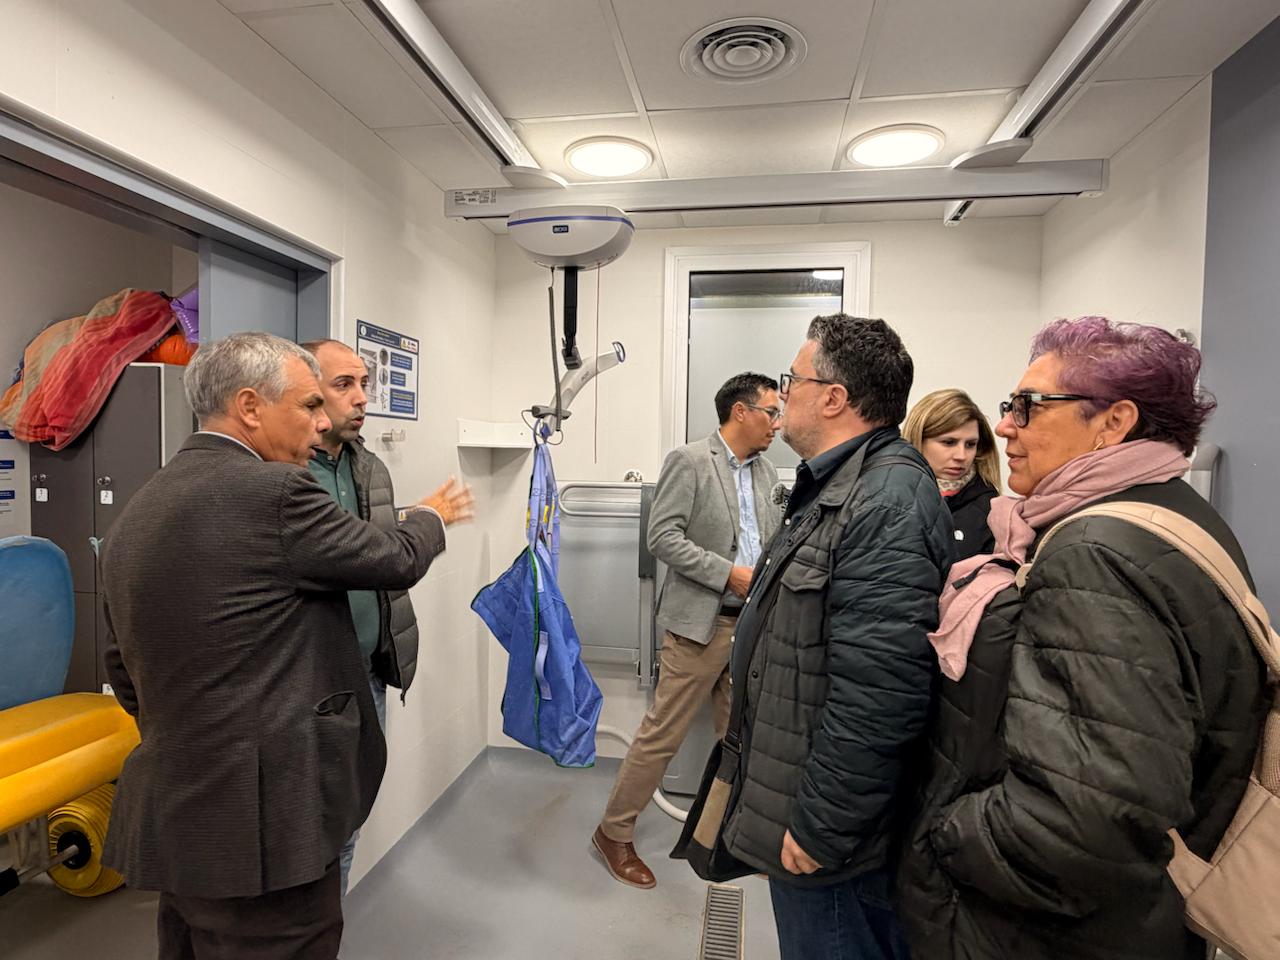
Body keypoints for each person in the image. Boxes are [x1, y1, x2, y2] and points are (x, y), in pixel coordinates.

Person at [897, 317, 1269, 960]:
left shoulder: (1095, 555)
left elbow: (1085, 822)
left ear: (1114, 422)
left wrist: (938, 833)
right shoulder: (1176, 514)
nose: (1004, 426)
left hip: (1053, 933)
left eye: (1028, 406)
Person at [100, 332, 474, 960]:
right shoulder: (275, 493)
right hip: (267, 827)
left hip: (178, 819)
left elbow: (122, 667)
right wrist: (430, 517)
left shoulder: (138, 509)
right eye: (309, 405)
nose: (322, 421)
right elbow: (393, 559)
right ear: (249, 407)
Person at [718, 315, 954, 960]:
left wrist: (825, 826)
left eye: (792, 379)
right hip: (802, 790)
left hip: (831, 836)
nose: (783, 394)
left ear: (833, 397)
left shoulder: (885, 500)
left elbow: (880, 693)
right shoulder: (842, 483)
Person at [592, 373, 783, 889]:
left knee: (739, 737)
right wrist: (728, 574)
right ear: (741, 411)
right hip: (700, 625)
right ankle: (613, 833)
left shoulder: (768, 473)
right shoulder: (690, 461)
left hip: (751, 625)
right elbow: (662, 537)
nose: (777, 423)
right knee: (663, 735)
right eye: (771, 412)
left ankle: (722, 838)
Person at [302, 338, 422, 899]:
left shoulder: (368, 467)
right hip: (311, 686)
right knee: (311, 825)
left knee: (350, 817)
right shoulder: (283, 475)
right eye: (344, 384)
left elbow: (380, 561)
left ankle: (330, 929)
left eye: (364, 384)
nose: (361, 398)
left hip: (368, 673)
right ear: (306, 393)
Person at [903, 388, 1001, 560]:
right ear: (918, 439)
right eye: (949, 442)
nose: (961, 456)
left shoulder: (993, 511)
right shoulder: (886, 498)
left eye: (970, 444)